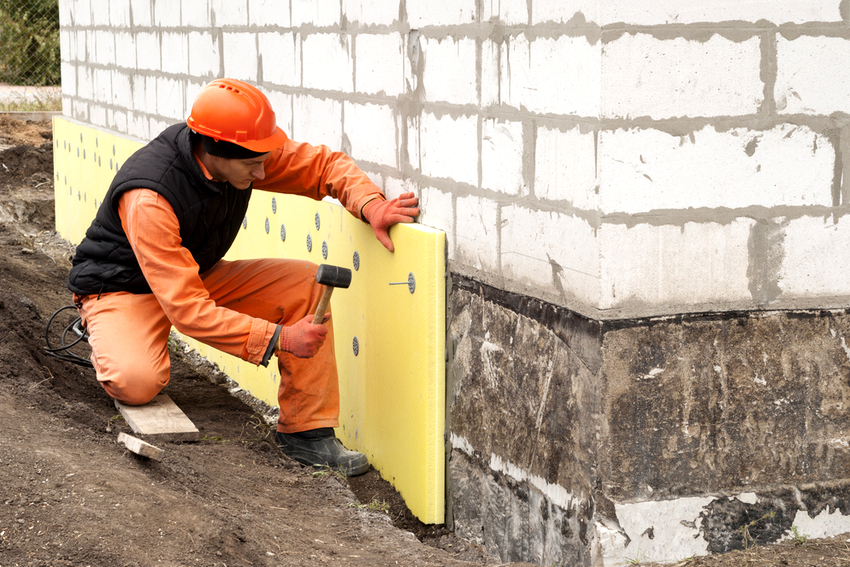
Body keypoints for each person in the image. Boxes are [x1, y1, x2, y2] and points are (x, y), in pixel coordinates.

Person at [67, 78, 420, 476]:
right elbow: (188, 310)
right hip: (123, 288)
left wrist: (370, 204)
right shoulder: (151, 197)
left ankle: (307, 433)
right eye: (254, 165)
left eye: (264, 159)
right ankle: (105, 329)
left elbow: (323, 165)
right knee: (136, 383)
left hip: (192, 275)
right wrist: (280, 338)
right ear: (214, 150)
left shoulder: (243, 153)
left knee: (306, 284)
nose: (264, 171)